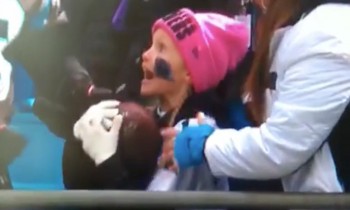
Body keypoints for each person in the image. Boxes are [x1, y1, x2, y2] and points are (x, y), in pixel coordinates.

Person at [161, 0, 350, 193]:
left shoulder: (326, 33)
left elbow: (280, 148)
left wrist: (205, 145)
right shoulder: (307, 30)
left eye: (161, 48)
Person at [73, 7, 249, 193]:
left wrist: (107, 161)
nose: (145, 55)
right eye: (151, 45)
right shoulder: (156, 118)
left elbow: (154, 203)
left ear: (190, 72)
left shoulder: (195, 133)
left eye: (161, 48)